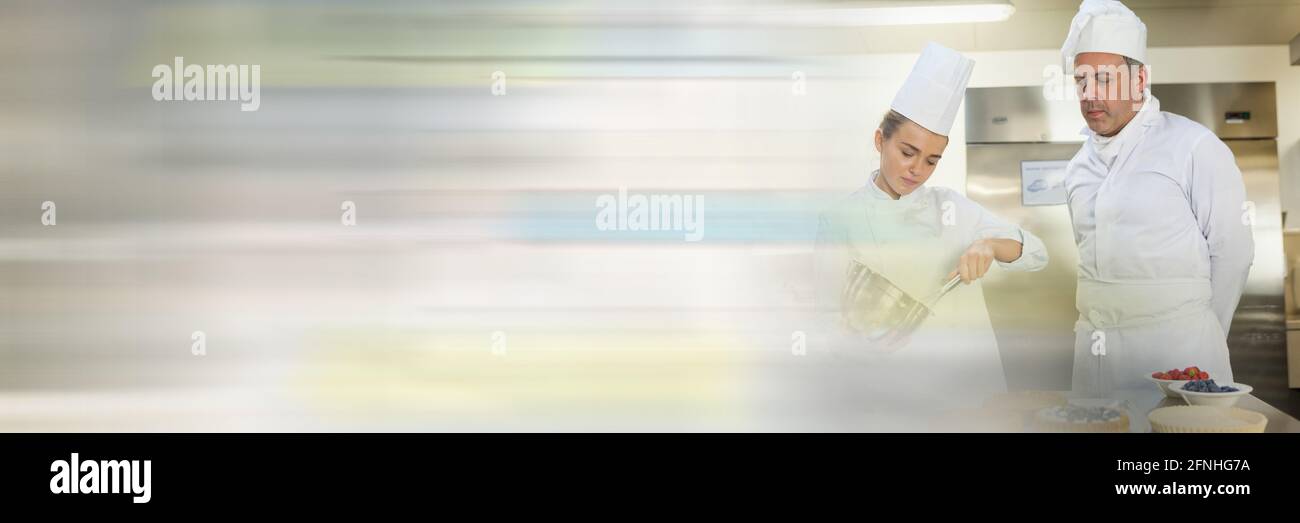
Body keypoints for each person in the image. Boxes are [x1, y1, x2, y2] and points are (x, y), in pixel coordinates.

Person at [814, 43, 1049, 412]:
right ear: (880, 140)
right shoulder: (839, 220)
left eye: (932, 160)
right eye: (907, 153)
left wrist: (989, 245)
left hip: (971, 395)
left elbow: (1036, 252)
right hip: (892, 398)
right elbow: (826, 318)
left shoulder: (951, 207)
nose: (917, 170)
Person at [1060, 0, 1254, 394]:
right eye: (1081, 80)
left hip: (1178, 354)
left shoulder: (1194, 146)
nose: (1090, 94)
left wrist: (1200, 333)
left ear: (1139, 80)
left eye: (1104, 79)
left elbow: (1234, 252)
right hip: (1096, 359)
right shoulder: (1077, 169)